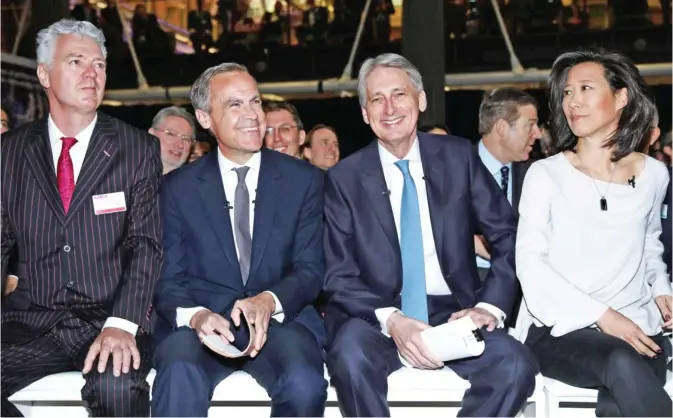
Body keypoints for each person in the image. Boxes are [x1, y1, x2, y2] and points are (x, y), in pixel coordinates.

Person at [323, 53, 538, 417]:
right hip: (377, 316)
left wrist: (488, 306)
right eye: (377, 99)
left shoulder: (457, 157)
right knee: (348, 357)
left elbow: (508, 236)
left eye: (399, 95)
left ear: (421, 100)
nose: (389, 108)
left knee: (516, 365)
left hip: (455, 312)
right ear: (364, 112)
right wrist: (392, 319)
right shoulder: (344, 178)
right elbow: (337, 273)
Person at [1, 19, 162, 416]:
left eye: (100, 64)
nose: (92, 73)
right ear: (44, 74)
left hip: (107, 318)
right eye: (76, 61)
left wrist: (123, 323)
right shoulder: (9, 152)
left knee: (118, 388)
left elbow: (146, 245)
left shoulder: (136, 148)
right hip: (30, 323)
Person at [151, 63, 327, 417]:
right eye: (235, 105)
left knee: (304, 383)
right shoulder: (176, 189)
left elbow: (311, 269)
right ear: (204, 117)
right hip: (202, 325)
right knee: (178, 372)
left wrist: (269, 300)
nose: (252, 115)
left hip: (280, 322)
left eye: (255, 102)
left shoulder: (304, 180)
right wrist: (196, 316)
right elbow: (168, 277)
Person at [515, 49, 672, 417]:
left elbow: (650, 243)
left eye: (586, 88)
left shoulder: (654, 175)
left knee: (620, 400)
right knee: (620, 362)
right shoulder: (546, 175)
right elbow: (530, 264)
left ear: (621, 97)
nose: (573, 101)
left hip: (638, 327)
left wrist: (662, 286)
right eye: (567, 92)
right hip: (558, 330)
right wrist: (602, 315)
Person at [473, 87, 542, 281]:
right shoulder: (454, 170)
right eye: (530, 125)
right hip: (467, 291)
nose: (538, 134)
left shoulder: (536, 174)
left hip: (522, 287)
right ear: (502, 127)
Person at [148, 106, 197, 174]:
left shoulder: (196, 182)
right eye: (171, 134)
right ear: (152, 134)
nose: (180, 145)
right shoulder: (130, 173)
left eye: (186, 138)